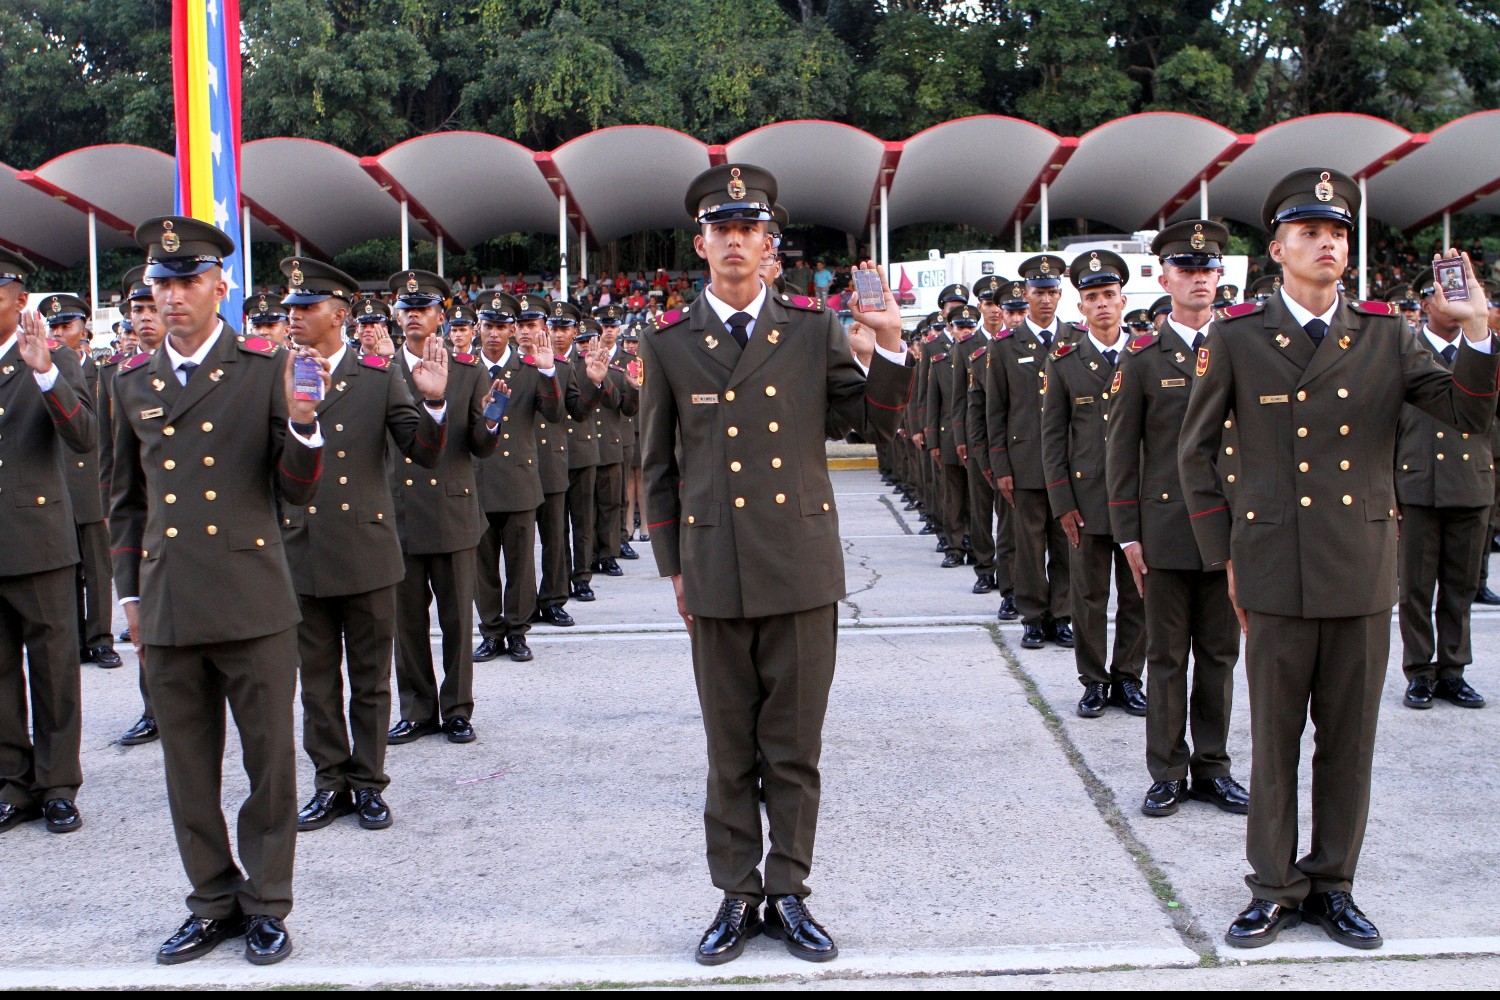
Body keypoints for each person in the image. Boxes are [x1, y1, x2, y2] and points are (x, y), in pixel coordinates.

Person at [1179, 168, 1498, 951]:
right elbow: (1194, 456)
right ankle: (1273, 887)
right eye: (1313, 232)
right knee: (1276, 738)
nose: (1330, 243)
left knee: (1349, 742)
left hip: (1359, 563)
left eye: (1341, 233)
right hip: (1273, 566)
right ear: (1279, 249)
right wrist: (1226, 556)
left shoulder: (1387, 333)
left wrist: (1479, 329)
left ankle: (1334, 884)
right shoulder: (1239, 333)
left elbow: (1464, 412)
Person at [640, 163, 908, 966]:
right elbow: (658, 466)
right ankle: (736, 894)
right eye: (720, 228)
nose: (733, 240)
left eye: (747, 228)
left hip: (799, 565)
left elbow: (872, 424)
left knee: (792, 747)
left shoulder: (812, 332)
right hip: (715, 567)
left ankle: (788, 891)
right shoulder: (669, 343)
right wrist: (673, 566)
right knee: (730, 749)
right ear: (701, 243)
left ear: (771, 248)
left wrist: (889, 342)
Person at [111, 216, 326, 965]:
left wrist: (304, 430)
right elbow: (125, 501)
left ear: (219, 287)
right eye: (160, 285)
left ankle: (266, 903)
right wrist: (128, 599)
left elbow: (294, 492)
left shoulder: (263, 369)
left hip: (251, 595)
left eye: (186, 281)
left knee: (269, 765)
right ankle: (211, 900)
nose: (171, 297)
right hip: (168, 601)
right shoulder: (130, 380)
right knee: (187, 770)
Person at [277, 258, 448, 835]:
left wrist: (435, 403)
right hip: (300, 546)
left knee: (371, 678)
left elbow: (420, 452)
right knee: (317, 678)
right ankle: (330, 782)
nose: (294, 318)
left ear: (340, 315)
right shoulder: (274, 373)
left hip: (367, 549)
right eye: (290, 309)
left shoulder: (376, 375)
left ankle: (369, 782)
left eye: (306, 309)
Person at [1106, 221, 1248, 819]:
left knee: (1219, 656)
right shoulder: (1142, 356)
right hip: (1164, 531)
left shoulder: (1245, 346)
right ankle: (1167, 769)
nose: (1199, 279)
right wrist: (1128, 533)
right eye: (1186, 270)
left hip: (1234, 530)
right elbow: (1120, 448)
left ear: (1221, 278)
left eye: (1208, 270)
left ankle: (1212, 767)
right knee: (1166, 657)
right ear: (1162, 278)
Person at [384, 270, 502, 748]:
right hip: (400, 511)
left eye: (424, 308)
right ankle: (416, 709)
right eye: (407, 308)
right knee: (406, 624)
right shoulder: (375, 371)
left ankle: (456, 708)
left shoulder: (470, 372)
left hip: (452, 508)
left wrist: (492, 422)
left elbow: (478, 445)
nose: (414, 315)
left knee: (457, 619)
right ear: (397, 316)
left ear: (441, 316)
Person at [0, 249, 94, 837]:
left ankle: (58, 784)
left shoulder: (51, 359)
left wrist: (44, 373)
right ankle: (13, 781)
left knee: (54, 666)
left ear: (17, 300)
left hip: (38, 536)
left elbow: (83, 434)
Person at [1041, 251, 1147, 718]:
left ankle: (1128, 676)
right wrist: (1062, 501)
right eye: (1091, 297)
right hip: (1085, 500)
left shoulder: (1147, 355)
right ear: (1079, 307)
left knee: (1138, 592)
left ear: (1123, 300)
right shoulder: (1064, 361)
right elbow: (1052, 438)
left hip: (1141, 498)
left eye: (1109, 295)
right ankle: (1094, 681)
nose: (1102, 304)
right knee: (1088, 594)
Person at [1395, 277, 1491, 710]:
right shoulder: (1402, 350)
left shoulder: (1485, 349)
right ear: (1424, 303)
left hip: (1471, 482)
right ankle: (1419, 670)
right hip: (1415, 482)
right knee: (1414, 588)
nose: (1453, 305)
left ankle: (1453, 671)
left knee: (1460, 586)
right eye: (1443, 295)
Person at [985, 255, 1074, 649]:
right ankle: (1034, 616)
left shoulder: (1076, 339)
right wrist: (1000, 465)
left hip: (1071, 465)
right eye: (1039, 293)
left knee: (1067, 544)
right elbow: (995, 411)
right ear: (1026, 294)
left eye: (1053, 292)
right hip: (1024, 464)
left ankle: (1063, 615)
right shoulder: (1006, 346)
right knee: (1029, 546)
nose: (1046, 301)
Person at [471, 291, 563, 664]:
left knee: (521, 564)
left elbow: (555, 414)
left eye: (500, 327)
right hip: (478, 479)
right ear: (479, 328)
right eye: (488, 326)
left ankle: (518, 630)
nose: (494, 334)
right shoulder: (464, 369)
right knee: (483, 565)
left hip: (519, 479)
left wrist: (547, 371)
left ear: (512, 329)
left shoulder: (528, 368)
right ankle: (491, 631)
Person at [38, 293, 121, 671]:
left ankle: (100, 638)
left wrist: (111, 490)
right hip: (55, 480)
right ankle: (75, 638)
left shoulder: (104, 372)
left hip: (91, 480)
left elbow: (109, 433)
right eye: (52, 326)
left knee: (97, 566)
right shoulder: (38, 367)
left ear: (84, 328)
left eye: (65, 325)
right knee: (64, 566)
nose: (58, 333)